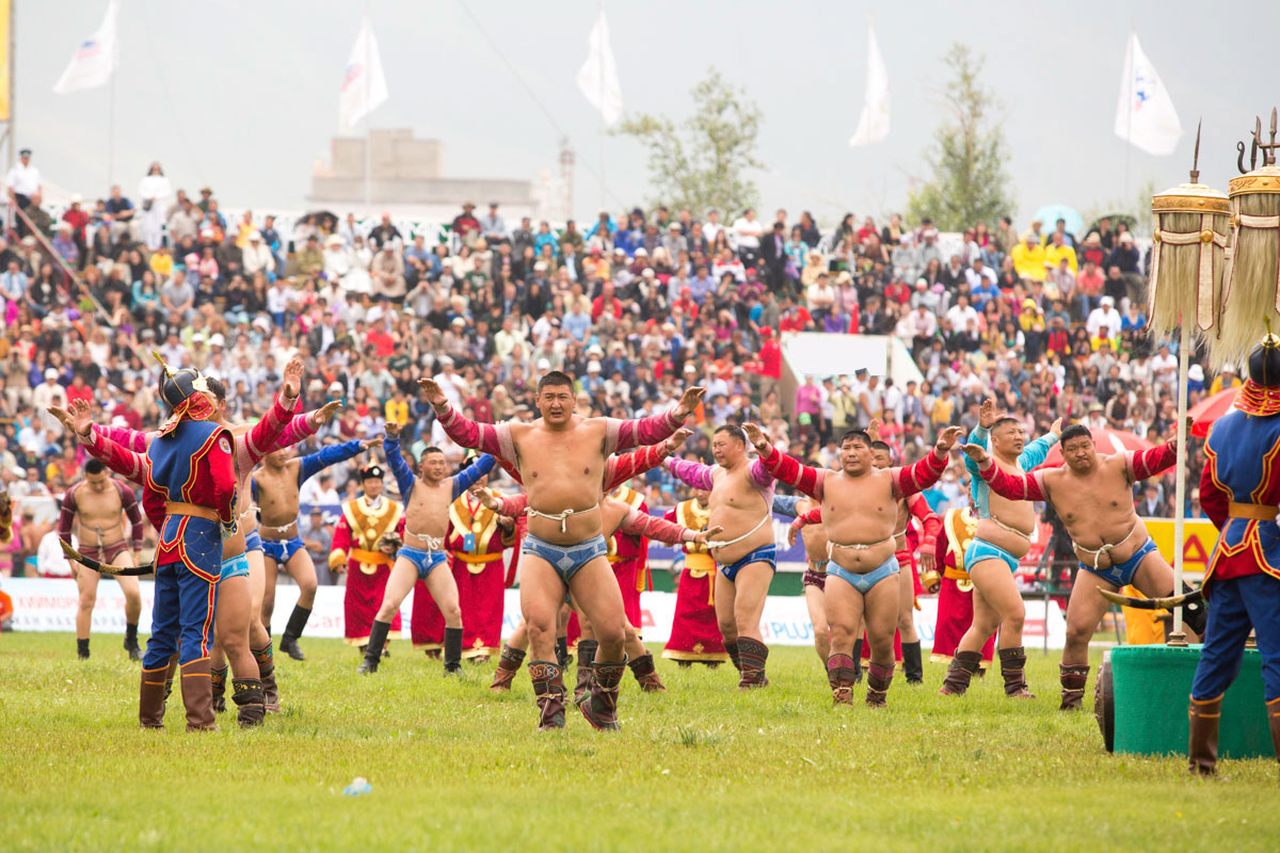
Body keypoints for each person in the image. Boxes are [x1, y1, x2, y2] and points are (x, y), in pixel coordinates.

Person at [424, 370, 700, 730]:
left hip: (588, 549)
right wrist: (443, 405)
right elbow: (469, 433)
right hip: (542, 548)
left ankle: (600, 704)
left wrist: (678, 412)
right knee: (539, 627)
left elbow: (644, 430)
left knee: (614, 633)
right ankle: (551, 716)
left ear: (573, 399)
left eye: (562, 397)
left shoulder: (599, 430)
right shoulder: (519, 435)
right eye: (548, 397)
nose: (556, 403)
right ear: (538, 401)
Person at [964, 421, 1204, 710]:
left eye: (1084, 446)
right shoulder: (1052, 480)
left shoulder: (1119, 464)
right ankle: (1071, 701)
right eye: (1072, 449)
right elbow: (1011, 487)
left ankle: (1216, 675)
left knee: (1190, 607)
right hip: (1095, 567)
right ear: (1062, 453)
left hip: (1139, 555)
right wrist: (985, 464)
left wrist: (1176, 445)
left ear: (1093, 445)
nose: (1080, 453)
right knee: (1076, 632)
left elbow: (1155, 460)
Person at [66, 358, 236, 731]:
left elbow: (145, 488)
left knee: (162, 633)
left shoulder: (161, 441)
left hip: (170, 541)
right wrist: (226, 520)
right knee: (196, 631)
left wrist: (90, 437)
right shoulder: (214, 435)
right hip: (200, 538)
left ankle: (150, 720)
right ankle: (200, 722)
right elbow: (224, 488)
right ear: (196, 396)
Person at [747, 422, 962, 706]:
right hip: (841, 570)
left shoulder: (891, 479)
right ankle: (842, 693)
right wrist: (764, 447)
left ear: (871, 453)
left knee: (883, 640)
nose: (850, 452)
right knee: (841, 634)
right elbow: (790, 470)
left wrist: (940, 450)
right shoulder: (826, 481)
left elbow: (924, 473)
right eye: (846, 448)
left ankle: (877, 694)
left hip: (883, 569)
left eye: (858, 447)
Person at [487, 436, 688, 691]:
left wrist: (690, 535)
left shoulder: (616, 508)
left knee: (619, 628)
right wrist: (498, 500)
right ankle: (503, 680)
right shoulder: (556, 497)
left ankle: (639, 683)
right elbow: (521, 501)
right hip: (551, 567)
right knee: (532, 624)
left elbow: (654, 526)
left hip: (589, 571)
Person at [1188, 332, 1280, 774]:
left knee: (1217, 655)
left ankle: (1200, 764)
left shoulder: (1223, 426)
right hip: (1269, 554)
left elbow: (1209, 495)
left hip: (1228, 551)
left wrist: (1235, 525)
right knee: (1277, 655)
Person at [941, 399, 1060, 700]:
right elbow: (973, 454)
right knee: (1015, 613)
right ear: (996, 440)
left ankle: (952, 687)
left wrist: (1054, 434)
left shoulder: (1021, 464)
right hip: (988, 552)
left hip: (1003, 557)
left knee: (983, 625)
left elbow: (1038, 448)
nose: (1020, 437)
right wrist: (982, 426)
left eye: (1021, 432)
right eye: (1012, 433)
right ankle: (1015, 688)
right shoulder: (985, 465)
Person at [357, 426, 496, 675]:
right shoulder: (410, 484)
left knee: (453, 611)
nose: (439, 466)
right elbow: (395, 460)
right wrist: (391, 438)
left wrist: (499, 439)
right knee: (389, 605)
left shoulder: (452, 485)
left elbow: (481, 466)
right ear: (422, 466)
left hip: (437, 558)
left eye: (442, 462)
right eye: (433, 462)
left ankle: (452, 666)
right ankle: (370, 661)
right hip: (410, 554)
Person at [663, 425, 781, 688]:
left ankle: (750, 681)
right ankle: (755, 675)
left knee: (745, 619)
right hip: (724, 561)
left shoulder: (754, 472)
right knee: (726, 626)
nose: (716, 449)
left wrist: (763, 446)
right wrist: (662, 454)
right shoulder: (716, 474)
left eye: (722, 444)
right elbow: (688, 471)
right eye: (714, 445)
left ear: (740, 446)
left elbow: (770, 467)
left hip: (756, 554)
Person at [254, 434, 377, 660]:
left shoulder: (296, 468)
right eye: (276, 448)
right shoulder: (257, 479)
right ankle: (264, 653)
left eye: (285, 448)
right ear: (263, 453)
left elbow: (325, 457)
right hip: (265, 544)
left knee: (310, 585)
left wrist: (357, 446)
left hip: (292, 541)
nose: (283, 452)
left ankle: (290, 638)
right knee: (267, 601)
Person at [411, 457, 515, 662]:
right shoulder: (452, 502)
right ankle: (462, 648)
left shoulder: (501, 500)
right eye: (473, 473)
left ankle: (482, 650)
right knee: (460, 608)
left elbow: (511, 538)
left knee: (488, 610)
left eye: (481, 473)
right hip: (459, 566)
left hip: (491, 565)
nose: (478, 478)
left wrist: (509, 526)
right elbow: (442, 533)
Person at [57, 459, 145, 661]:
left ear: (107, 472)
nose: (97, 486)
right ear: (85, 476)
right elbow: (63, 529)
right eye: (92, 482)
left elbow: (137, 521)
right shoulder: (75, 493)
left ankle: (131, 640)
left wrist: (137, 553)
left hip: (117, 548)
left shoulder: (121, 490)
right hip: (87, 552)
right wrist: (70, 560)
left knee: (134, 594)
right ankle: (83, 654)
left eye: (100, 481)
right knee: (86, 600)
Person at [329, 464, 405, 654]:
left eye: (377, 482)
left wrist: (395, 547)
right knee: (358, 608)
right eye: (370, 482)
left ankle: (383, 645)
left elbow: (402, 535)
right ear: (363, 484)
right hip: (358, 566)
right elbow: (341, 536)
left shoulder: (394, 509)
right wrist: (339, 559)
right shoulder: (351, 509)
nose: (374, 485)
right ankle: (364, 645)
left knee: (386, 603)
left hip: (384, 566)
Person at [661, 488, 729, 667]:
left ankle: (713, 656)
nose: (701, 493)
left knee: (712, 616)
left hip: (713, 572)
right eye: (697, 488)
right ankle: (683, 654)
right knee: (685, 615)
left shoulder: (722, 508)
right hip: (689, 570)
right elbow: (666, 539)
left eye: (705, 489)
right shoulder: (681, 509)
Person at [930, 508, 996, 668]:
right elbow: (940, 548)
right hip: (952, 584)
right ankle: (952, 667)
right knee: (947, 625)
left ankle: (978, 667)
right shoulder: (953, 518)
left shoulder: (998, 519)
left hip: (984, 583)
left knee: (984, 625)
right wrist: (939, 575)